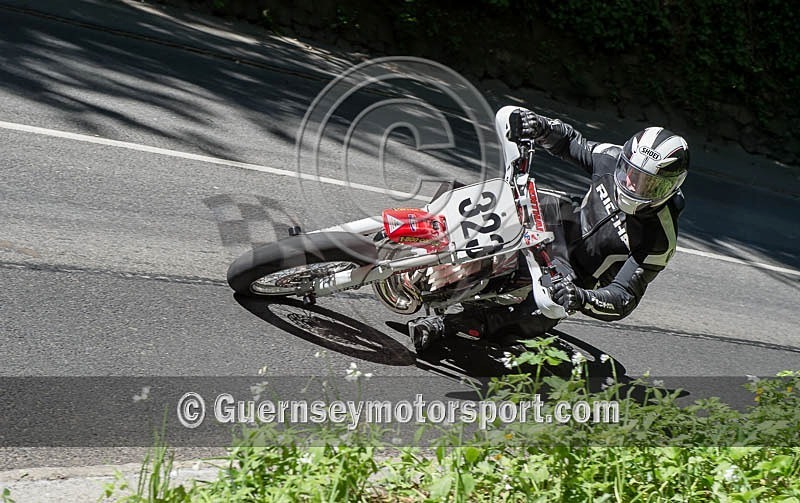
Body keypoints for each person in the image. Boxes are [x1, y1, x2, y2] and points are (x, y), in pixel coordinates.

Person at [408, 107, 689, 353]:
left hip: (574, 275)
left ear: (673, 186)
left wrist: (582, 298)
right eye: (631, 173)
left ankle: (444, 325)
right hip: (558, 218)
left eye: (650, 185)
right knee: (496, 195)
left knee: (534, 317)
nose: (633, 186)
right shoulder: (610, 157)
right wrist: (540, 126)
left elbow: (623, 297)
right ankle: (421, 231)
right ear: (624, 160)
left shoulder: (660, 239)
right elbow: (570, 142)